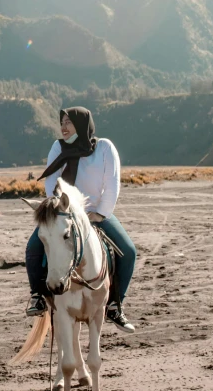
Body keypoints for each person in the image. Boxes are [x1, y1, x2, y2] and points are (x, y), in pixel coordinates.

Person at [25, 106, 136, 333]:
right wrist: (57, 209)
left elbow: (112, 184)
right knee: (33, 247)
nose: (63, 127)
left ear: (82, 124)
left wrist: (100, 213)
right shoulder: (58, 147)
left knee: (128, 251)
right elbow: (50, 181)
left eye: (68, 122)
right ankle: (37, 296)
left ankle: (115, 305)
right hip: (65, 212)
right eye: (62, 122)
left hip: (96, 212)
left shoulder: (105, 148)